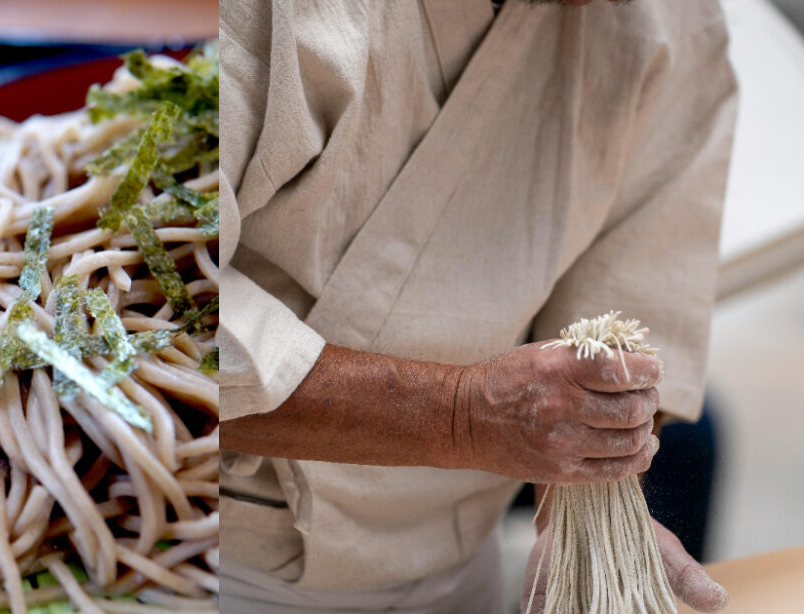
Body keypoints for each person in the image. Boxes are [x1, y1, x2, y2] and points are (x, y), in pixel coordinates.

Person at [217, 0, 737, 612]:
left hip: (458, 558)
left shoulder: (671, 20)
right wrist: (461, 414)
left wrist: (585, 523)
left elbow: (621, 312)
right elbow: (153, 308)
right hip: (217, 549)